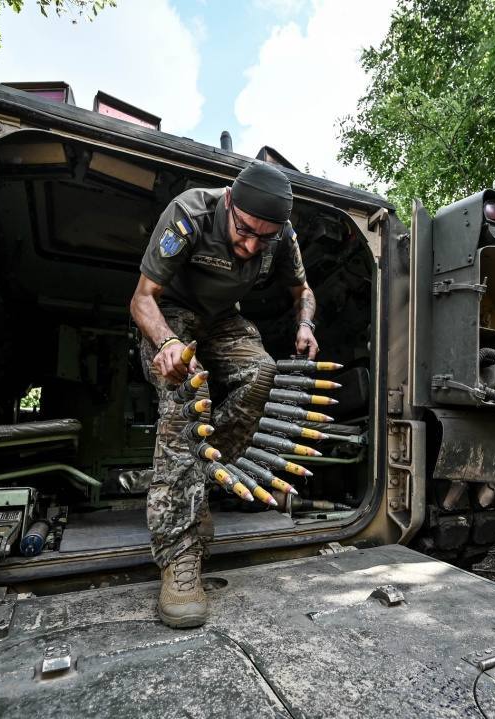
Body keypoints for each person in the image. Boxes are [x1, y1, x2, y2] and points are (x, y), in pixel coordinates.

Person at [129, 161, 318, 628]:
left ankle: (203, 477)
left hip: (222, 320)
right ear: (230, 200)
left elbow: (303, 290)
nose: (252, 245)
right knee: (183, 403)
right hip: (170, 315)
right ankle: (179, 555)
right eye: (245, 231)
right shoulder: (191, 213)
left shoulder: (282, 236)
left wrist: (306, 324)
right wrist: (168, 343)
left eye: (264, 238)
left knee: (262, 372)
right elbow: (142, 299)